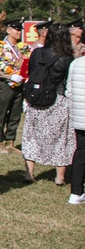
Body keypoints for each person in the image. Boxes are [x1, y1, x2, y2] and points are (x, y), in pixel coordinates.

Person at [21, 24, 75, 185]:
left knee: (31, 136)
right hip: (58, 100)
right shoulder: (67, 58)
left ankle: (28, 173)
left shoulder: (37, 53)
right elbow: (67, 81)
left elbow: (32, 73)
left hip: (35, 98)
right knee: (61, 138)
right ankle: (60, 176)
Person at [0, 19, 31, 154]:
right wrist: (9, 76)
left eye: (20, 30)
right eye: (16, 29)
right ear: (8, 30)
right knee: (2, 114)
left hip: (19, 85)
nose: (18, 32)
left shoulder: (22, 47)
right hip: (5, 84)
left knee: (15, 114)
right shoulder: (0, 47)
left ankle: (10, 140)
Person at [65, 51, 85, 204]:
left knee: (80, 152)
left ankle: (76, 191)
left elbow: (69, 91)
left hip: (79, 116)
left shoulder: (75, 63)